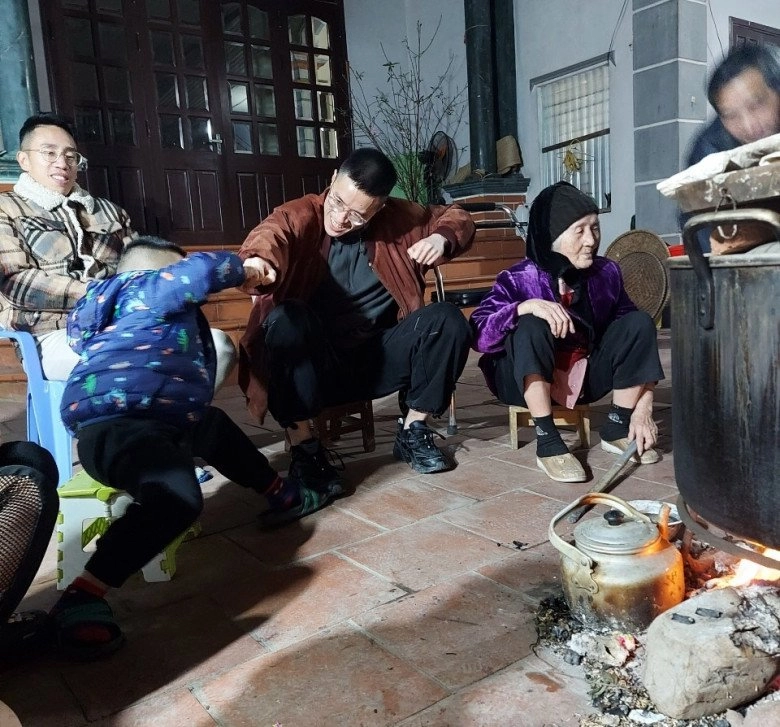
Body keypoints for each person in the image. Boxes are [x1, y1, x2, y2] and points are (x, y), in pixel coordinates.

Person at [51, 237, 330, 660]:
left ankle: (281, 492)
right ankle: (83, 594)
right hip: (124, 426)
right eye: (175, 276)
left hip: (160, 421)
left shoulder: (111, 311)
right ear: (155, 272)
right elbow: (195, 274)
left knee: (213, 426)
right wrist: (249, 269)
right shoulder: (141, 287)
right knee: (178, 499)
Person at [238, 148, 475, 494]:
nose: (339, 219)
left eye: (356, 216)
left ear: (380, 207)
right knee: (287, 318)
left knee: (448, 319)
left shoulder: (400, 218)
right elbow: (271, 234)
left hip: (376, 359)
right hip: (315, 366)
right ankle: (306, 451)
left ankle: (412, 430)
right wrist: (258, 263)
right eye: (336, 203)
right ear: (333, 180)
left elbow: (457, 216)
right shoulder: (302, 215)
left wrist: (442, 237)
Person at [0, 113, 236, 387]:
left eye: (70, 155)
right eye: (48, 153)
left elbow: (141, 266)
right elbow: (14, 282)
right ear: (23, 160)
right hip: (51, 334)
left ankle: (172, 421)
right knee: (143, 356)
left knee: (218, 347)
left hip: (122, 322)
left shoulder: (109, 212)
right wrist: (102, 294)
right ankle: (116, 428)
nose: (61, 163)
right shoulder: (6, 209)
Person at [470, 182, 664, 483]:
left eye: (595, 228)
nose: (591, 240)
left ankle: (616, 426)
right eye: (580, 230)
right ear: (553, 236)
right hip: (522, 378)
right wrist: (524, 307)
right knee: (531, 324)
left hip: (584, 378)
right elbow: (480, 333)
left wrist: (644, 406)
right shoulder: (518, 278)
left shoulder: (606, 273)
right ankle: (548, 441)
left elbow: (634, 338)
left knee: (639, 322)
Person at [683, 44, 780, 252]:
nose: (749, 126)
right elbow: (701, 225)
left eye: (756, 105)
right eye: (731, 116)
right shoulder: (710, 149)